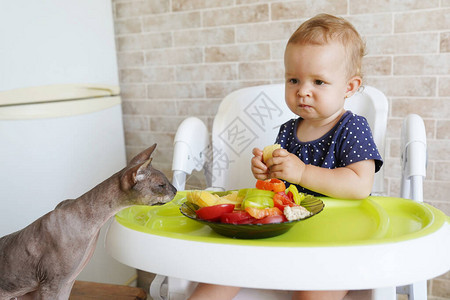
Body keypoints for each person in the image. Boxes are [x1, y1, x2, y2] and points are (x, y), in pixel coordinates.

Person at [189, 13, 383, 300]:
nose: (303, 91)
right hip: (287, 232)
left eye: (318, 81)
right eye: (294, 79)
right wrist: (269, 173)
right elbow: (282, 184)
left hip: (336, 240)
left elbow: (359, 185)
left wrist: (302, 173)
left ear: (349, 87)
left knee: (311, 293)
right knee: (225, 271)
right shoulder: (289, 130)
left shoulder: (352, 127)